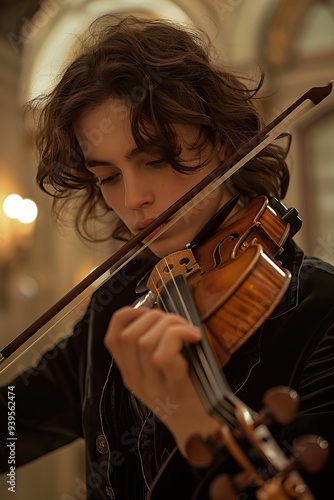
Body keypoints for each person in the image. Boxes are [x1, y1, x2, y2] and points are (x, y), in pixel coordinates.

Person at [1, 14, 334, 499]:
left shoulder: (321, 313)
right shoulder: (118, 303)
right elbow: (13, 426)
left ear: (223, 140)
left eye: (154, 160)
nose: (133, 198)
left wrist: (190, 420)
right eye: (108, 176)